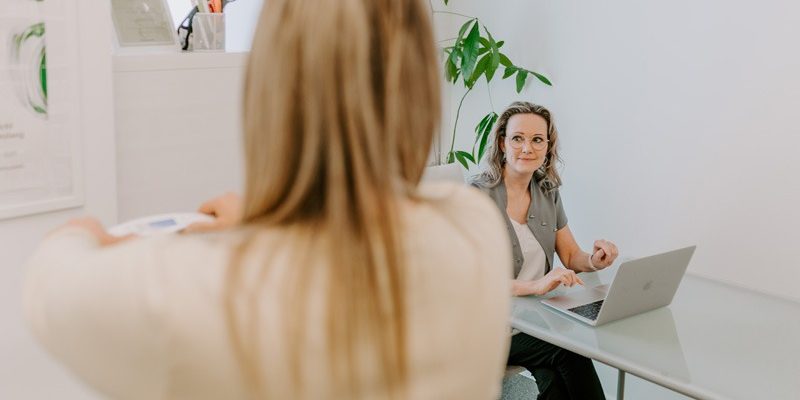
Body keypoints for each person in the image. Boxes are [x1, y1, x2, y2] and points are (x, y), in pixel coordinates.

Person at [23, 1, 513, 398]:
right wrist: (258, 226)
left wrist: (89, 234)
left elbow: (49, 277)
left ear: (269, 87)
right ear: (420, 84)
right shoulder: (472, 226)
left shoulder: (192, 296)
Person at [471, 101, 619, 400]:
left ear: (548, 147)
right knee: (569, 352)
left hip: (534, 320)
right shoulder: (478, 197)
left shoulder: (546, 190)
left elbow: (571, 256)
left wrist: (594, 260)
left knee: (556, 384)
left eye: (537, 139)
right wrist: (535, 285)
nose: (527, 148)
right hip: (487, 326)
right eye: (517, 138)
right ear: (502, 142)